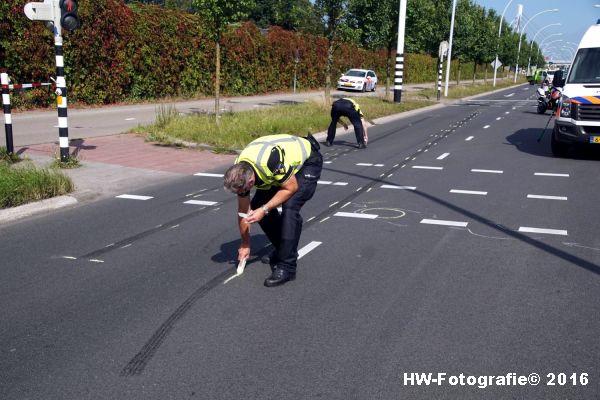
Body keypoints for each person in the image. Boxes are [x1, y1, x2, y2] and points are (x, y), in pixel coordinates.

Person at [223, 134, 323, 287]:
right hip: (279, 167)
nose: (241, 194)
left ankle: (287, 267)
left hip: (307, 162)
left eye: (243, 190)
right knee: (257, 204)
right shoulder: (239, 170)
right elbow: (243, 211)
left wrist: (264, 209)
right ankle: (283, 249)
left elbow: (291, 187)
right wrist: (245, 244)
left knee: (290, 207)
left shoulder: (270, 161)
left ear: (250, 182)